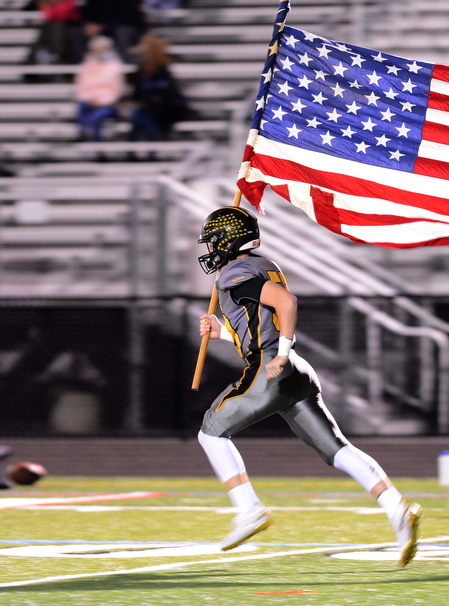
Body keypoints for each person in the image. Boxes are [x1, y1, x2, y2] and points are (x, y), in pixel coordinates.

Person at [195, 206, 422, 565]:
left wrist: (281, 354)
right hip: (297, 372)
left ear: (226, 241)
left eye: (212, 243)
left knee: (211, 433)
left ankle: (249, 509)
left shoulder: (233, 274)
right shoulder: (262, 264)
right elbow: (257, 328)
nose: (209, 251)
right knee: (338, 450)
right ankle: (397, 509)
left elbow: (286, 304)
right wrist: (223, 332)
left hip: (273, 367)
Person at [127, 34, 187, 144]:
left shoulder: (162, 71)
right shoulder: (141, 71)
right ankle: (131, 153)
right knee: (136, 117)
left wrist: (152, 100)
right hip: (146, 107)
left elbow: (168, 93)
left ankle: (152, 153)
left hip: (162, 108)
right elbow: (136, 93)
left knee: (149, 120)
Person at [75, 35, 124, 142]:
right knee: (81, 105)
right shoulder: (88, 64)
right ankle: (82, 133)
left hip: (108, 104)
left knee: (97, 117)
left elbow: (117, 89)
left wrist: (100, 100)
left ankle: (98, 145)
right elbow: (82, 85)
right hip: (89, 100)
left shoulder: (114, 65)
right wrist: (90, 98)